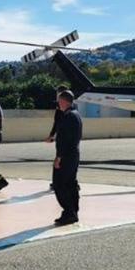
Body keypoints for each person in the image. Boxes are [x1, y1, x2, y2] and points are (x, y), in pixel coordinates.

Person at [52, 90, 83, 225]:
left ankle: (69, 212)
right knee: (71, 184)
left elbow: (64, 140)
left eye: (59, 101)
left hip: (66, 156)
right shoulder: (76, 114)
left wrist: (59, 157)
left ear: (64, 101)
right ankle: (73, 212)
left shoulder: (68, 116)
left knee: (60, 184)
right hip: (73, 154)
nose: (58, 104)